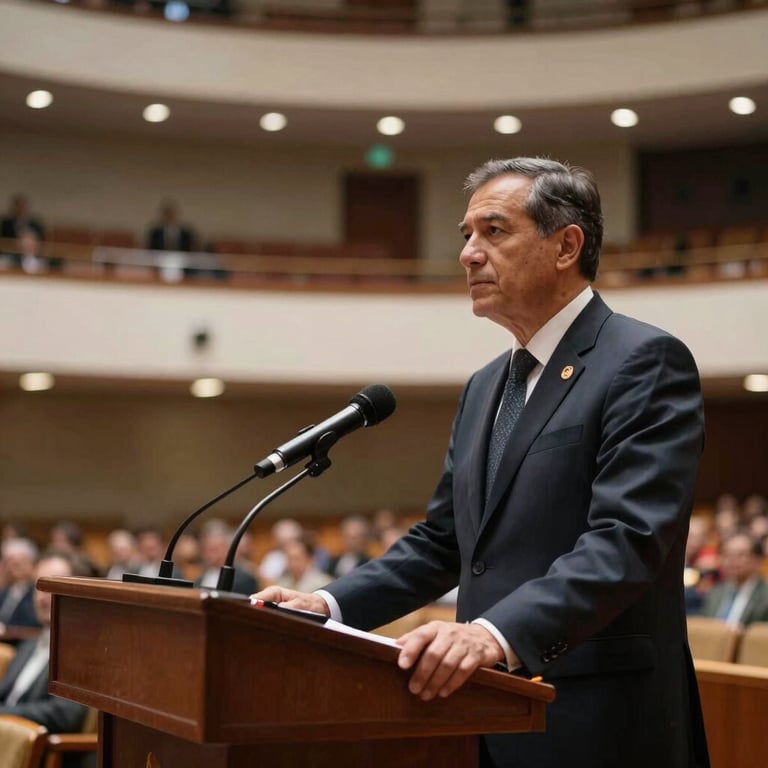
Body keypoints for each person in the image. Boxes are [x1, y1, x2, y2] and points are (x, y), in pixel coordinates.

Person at [254, 157, 709, 768]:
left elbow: (628, 539)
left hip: (597, 720)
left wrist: (491, 635)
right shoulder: (486, 385)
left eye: (493, 232)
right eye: (465, 235)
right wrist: (331, 606)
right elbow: (445, 542)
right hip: (485, 714)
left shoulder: (642, 360)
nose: (468, 253)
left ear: (566, 245)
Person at [0, 551, 88, 733]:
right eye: (38, 586)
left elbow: (65, 713)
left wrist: (4, 714)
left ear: (79, 592)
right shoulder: (29, 644)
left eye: (52, 585)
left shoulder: (81, 652)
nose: (42, 596)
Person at [701, 531, 768, 628]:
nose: (732, 560)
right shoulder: (715, 592)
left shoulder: (765, 596)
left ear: (757, 560)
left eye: (740, 555)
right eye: (727, 554)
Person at [194, 519, 258, 595]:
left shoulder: (245, 579)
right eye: (206, 550)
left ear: (227, 548)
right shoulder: (200, 579)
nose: (209, 555)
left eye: (214, 550)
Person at [0, 538, 40, 635]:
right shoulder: (5, 592)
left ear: (32, 565)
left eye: (17, 564)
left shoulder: (36, 593)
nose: (11, 569)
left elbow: (33, 624)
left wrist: (6, 630)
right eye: (9, 563)